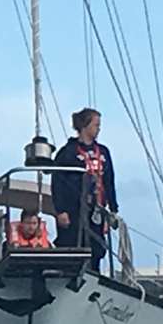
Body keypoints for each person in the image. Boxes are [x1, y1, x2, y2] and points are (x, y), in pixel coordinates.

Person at [52, 107, 118, 269]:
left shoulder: (103, 152)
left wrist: (113, 210)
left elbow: (109, 181)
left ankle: (94, 275)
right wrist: (60, 210)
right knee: (72, 245)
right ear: (84, 126)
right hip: (73, 208)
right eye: (96, 125)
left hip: (97, 208)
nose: (99, 129)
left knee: (96, 248)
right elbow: (57, 182)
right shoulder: (67, 153)